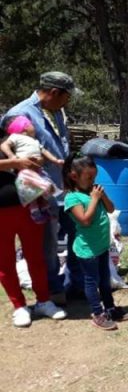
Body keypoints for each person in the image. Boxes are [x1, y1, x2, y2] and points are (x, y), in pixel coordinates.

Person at [3, 71, 80, 303]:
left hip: (65, 188)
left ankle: (73, 284)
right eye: (66, 97)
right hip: (42, 192)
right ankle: (53, 291)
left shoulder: (55, 111)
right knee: (48, 245)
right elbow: (13, 156)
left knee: (79, 234)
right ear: (54, 92)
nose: (68, 101)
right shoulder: (20, 114)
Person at [0, 118, 67, 328]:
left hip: (29, 207)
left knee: (36, 256)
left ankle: (44, 301)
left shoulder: (13, 137)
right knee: (5, 261)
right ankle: (19, 306)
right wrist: (14, 163)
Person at [63, 154, 128, 330]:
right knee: (91, 282)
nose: (93, 181)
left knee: (105, 279)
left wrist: (103, 196)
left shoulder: (94, 192)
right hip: (87, 250)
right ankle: (97, 313)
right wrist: (94, 199)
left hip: (101, 246)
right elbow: (85, 220)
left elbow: (111, 209)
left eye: (94, 177)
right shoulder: (72, 198)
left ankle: (109, 308)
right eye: (88, 177)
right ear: (74, 176)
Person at [0, 115, 62, 223]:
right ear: (24, 127)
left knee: (35, 193)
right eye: (31, 124)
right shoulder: (15, 137)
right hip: (24, 174)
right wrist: (13, 159)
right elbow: (5, 147)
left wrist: (53, 160)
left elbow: (43, 153)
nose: (34, 127)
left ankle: (42, 209)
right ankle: (41, 203)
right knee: (40, 189)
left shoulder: (34, 141)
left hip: (35, 172)